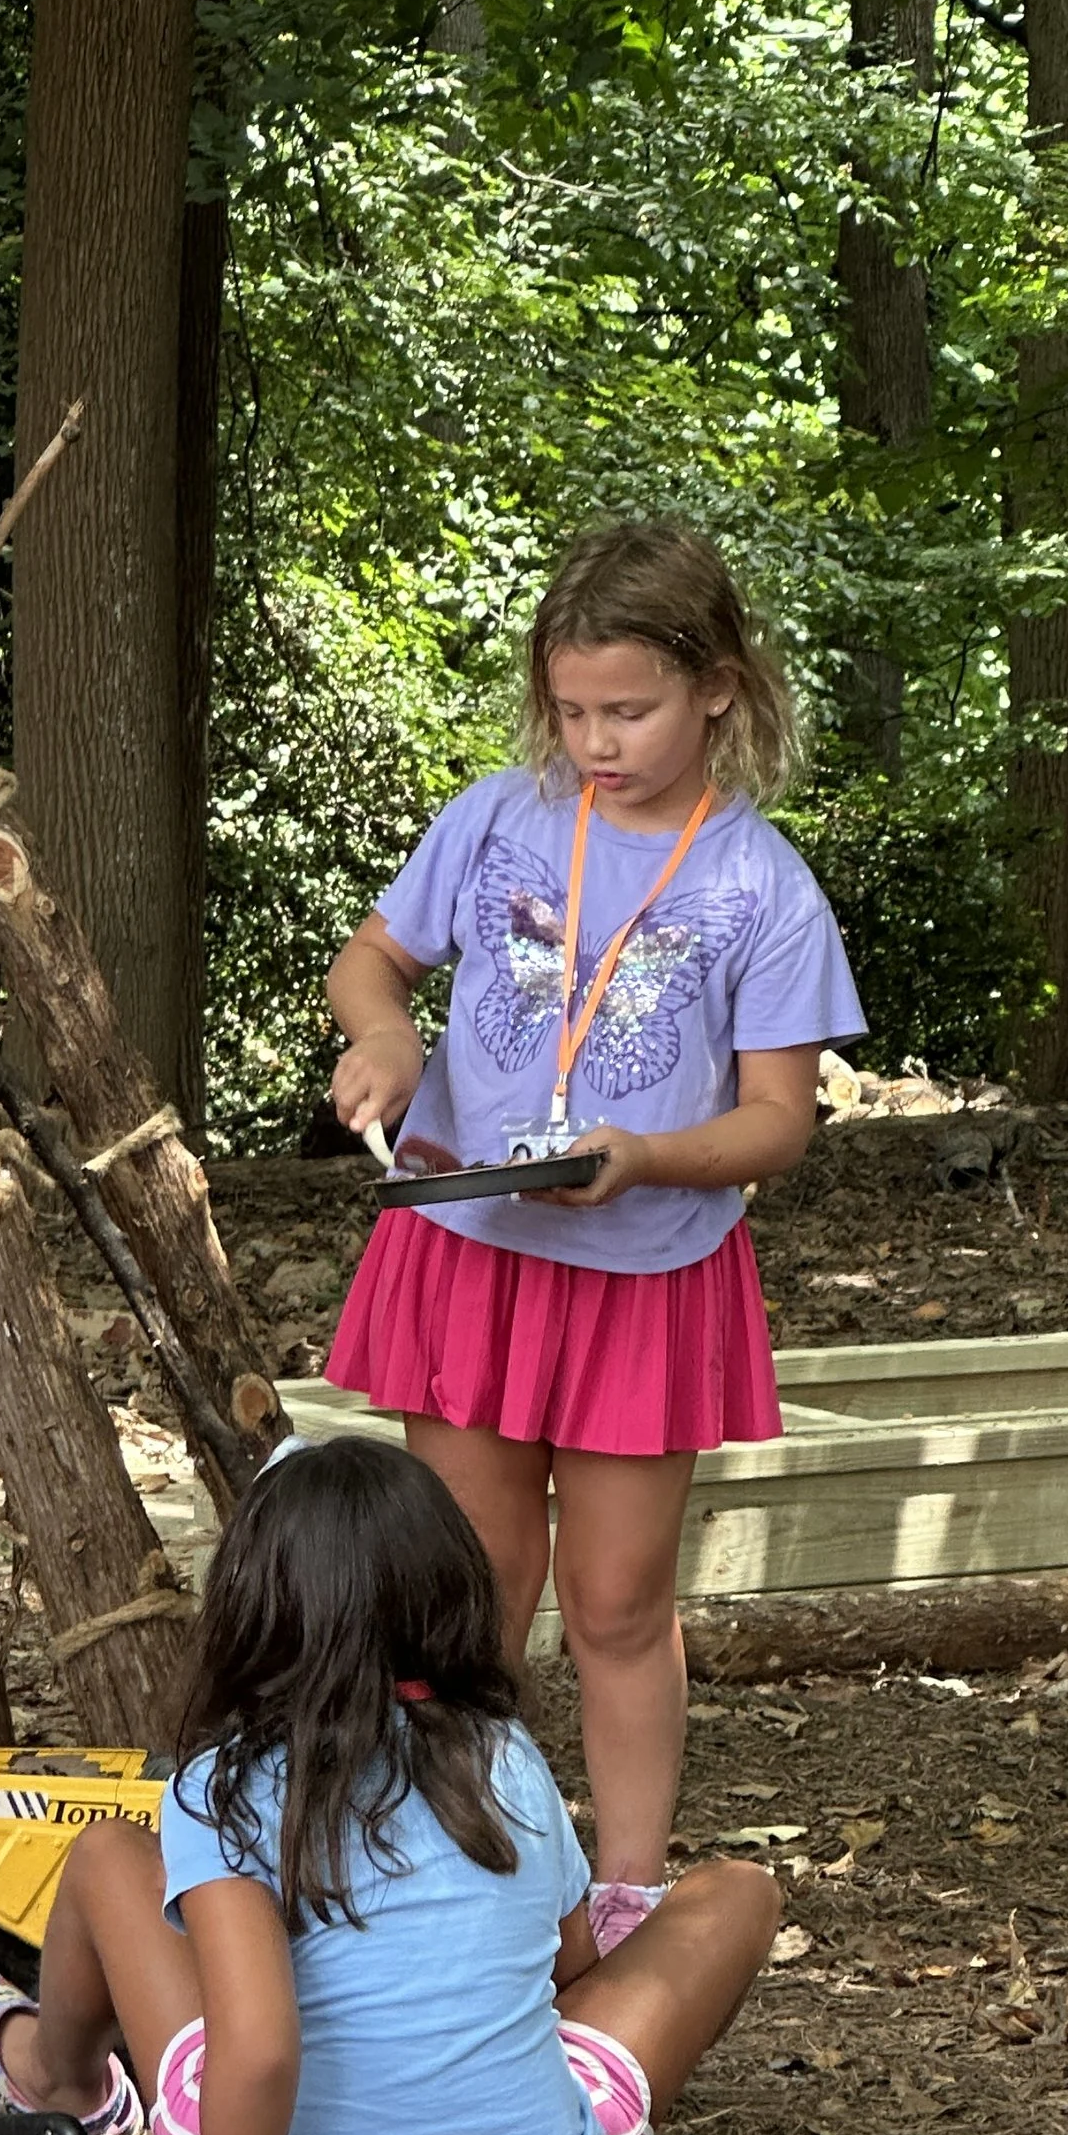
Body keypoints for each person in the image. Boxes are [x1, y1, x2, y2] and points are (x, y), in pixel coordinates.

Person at [322, 520, 864, 1947]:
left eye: (628, 710)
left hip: (647, 1272)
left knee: (618, 1600)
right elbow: (374, 958)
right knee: (469, 1593)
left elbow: (778, 1122)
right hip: (474, 1251)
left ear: (720, 690)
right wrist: (380, 1038)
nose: (597, 739)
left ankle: (623, 1895)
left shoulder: (762, 885)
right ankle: (459, 1873)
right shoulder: (501, 816)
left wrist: (644, 1161)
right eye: (573, 711)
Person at [0, 1436, 778, 2135]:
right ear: (450, 1589)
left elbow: (261, 2051)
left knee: (103, 1856)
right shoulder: (506, 1757)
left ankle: (62, 2081)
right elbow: (573, 1976)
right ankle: (495, 2129)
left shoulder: (223, 1788)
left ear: (251, 1612)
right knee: (738, 1890)